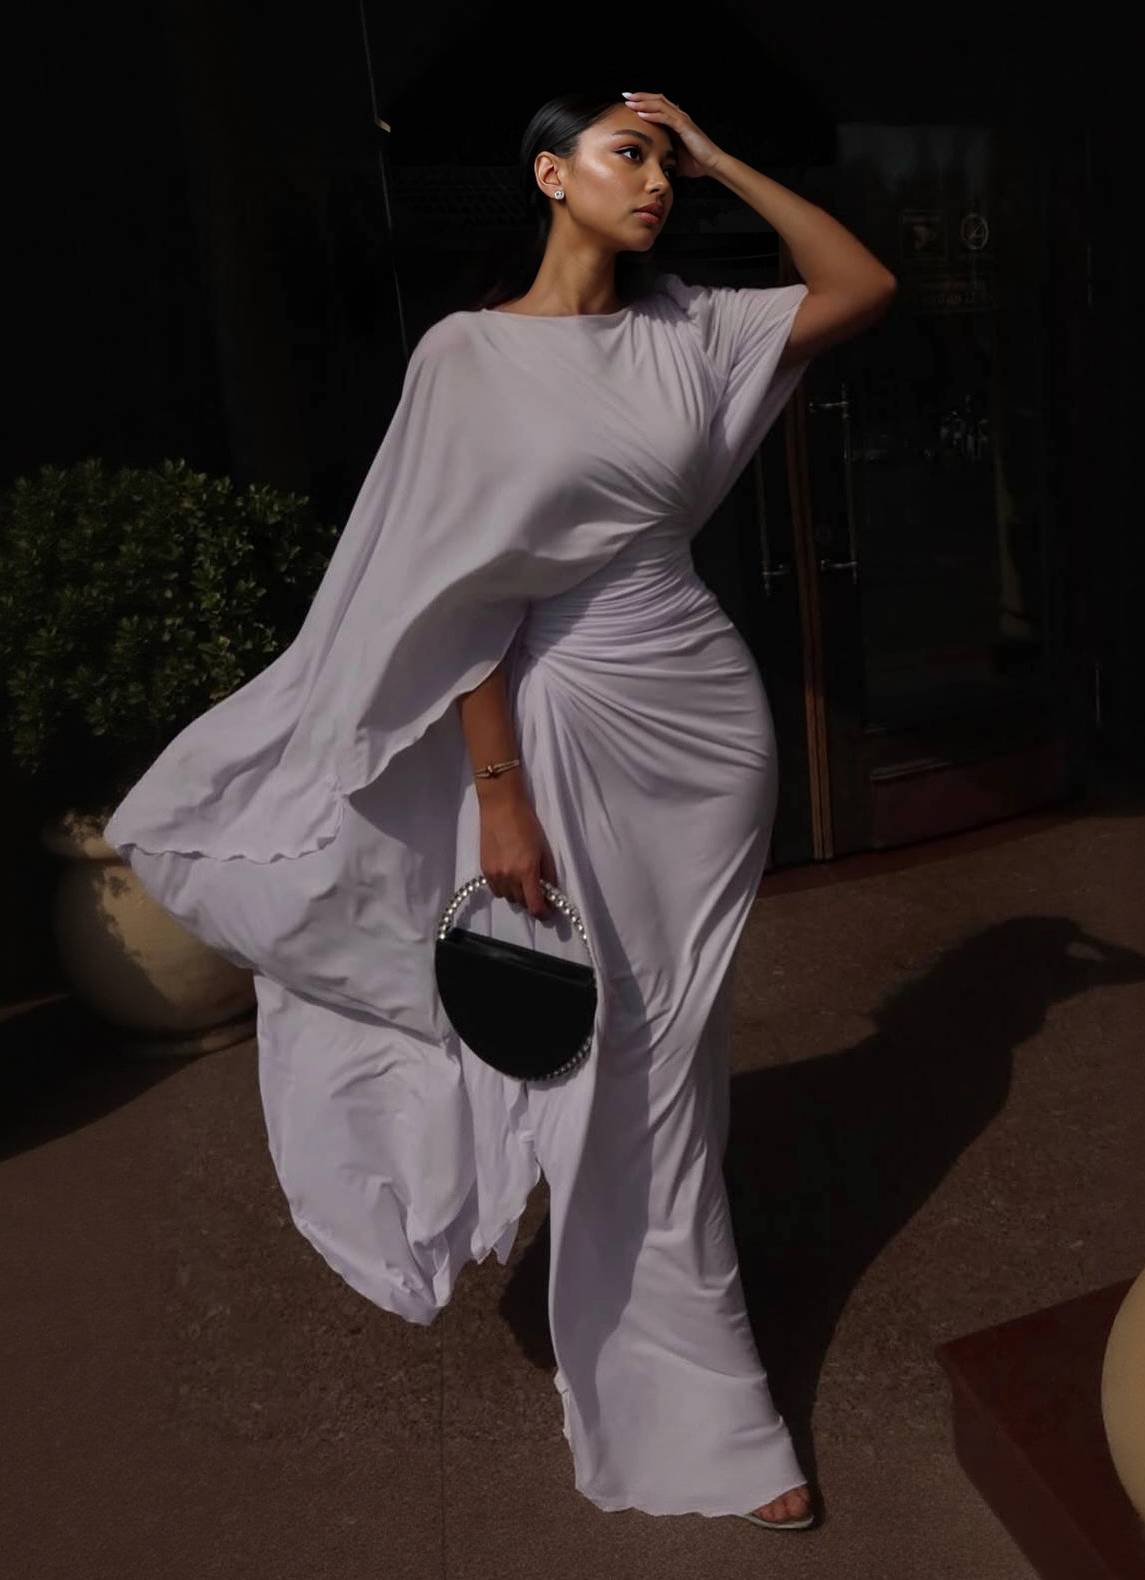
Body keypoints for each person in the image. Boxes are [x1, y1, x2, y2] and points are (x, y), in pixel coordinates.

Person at [103, 90, 896, 1529]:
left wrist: (723, 156)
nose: (655, 182)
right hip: (565, 719)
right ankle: (704, 1405)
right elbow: (453, 603)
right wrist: (498, 796)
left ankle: (669, 1335)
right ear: (549, 175)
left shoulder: (692, 328)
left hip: (708, 734)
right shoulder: (465, 358)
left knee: (675, 1056)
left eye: (665, 162)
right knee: (622, 1050)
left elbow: (863, 285)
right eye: (628, 154)